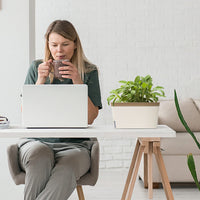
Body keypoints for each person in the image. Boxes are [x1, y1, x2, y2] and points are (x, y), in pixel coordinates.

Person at [18, 20, 102, 200]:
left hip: (75, 146)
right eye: (54, 45)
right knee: (38, 159)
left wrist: (77, 82)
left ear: (75, 46)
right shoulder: (36, 68)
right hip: (36, 142)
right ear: (48, 45)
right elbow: (26, 114)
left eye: (65, 44)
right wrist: (40, 81)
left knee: (66, 170)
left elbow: (90, 118)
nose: (59, 50)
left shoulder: (89, 71)